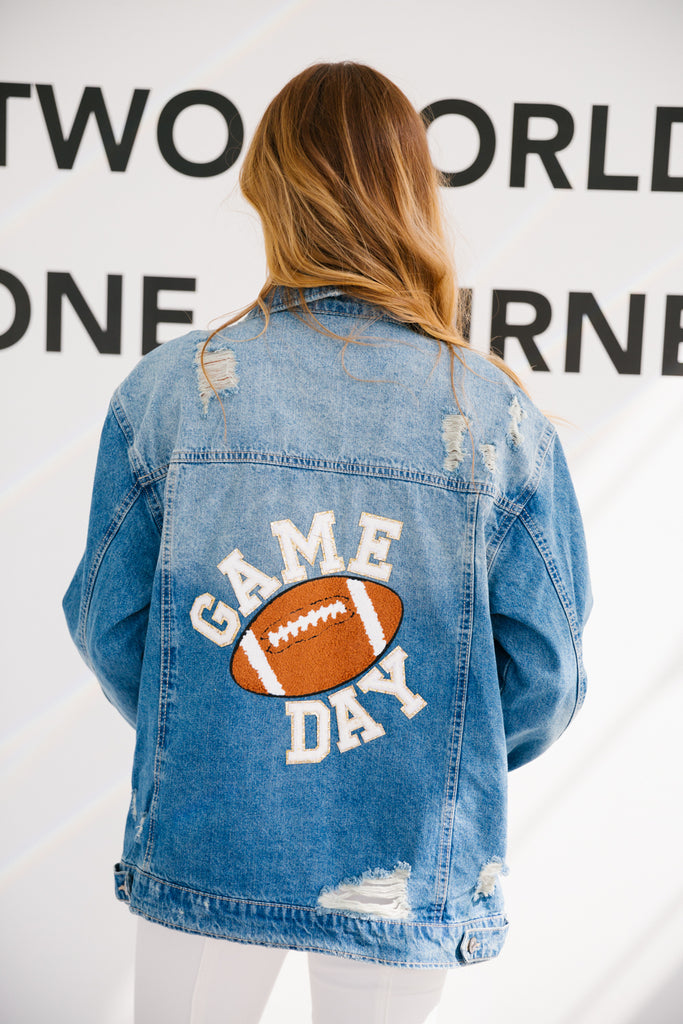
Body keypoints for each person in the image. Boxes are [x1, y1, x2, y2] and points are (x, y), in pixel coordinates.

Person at [63, 62, 592, 1024]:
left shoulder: (173, 393)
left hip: (206, 842)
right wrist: (430, 746)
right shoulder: (495, 416)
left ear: (267, 191)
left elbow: (111, 627)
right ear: (414, 198)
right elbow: (544, 674)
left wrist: (225, 737)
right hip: (399, 855)